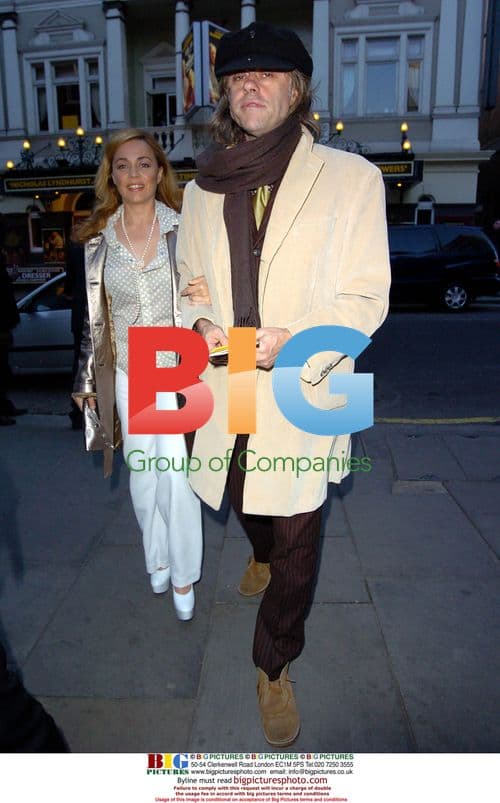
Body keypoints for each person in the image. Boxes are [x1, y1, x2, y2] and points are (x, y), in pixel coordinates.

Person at [177, 22, 391, 744]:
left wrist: (293, 341)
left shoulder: (352, 178)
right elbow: (189, 285)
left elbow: (367, 297)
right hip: (225, 378)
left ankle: (274, 662)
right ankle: (258, 550)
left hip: (307, 385)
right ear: (224, 95)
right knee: (241, 495)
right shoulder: (202, 187)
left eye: (268, 74)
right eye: (238, 77)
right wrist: (200, 320)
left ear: (298, 90)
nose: (251, 85)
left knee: (301, 536)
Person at [73, 128, 207, 621]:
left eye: (144, 163)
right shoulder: (97, 240)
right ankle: (157, 554)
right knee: (144, 475)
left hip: (176, 368)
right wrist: (86, 383)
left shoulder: (185, 227)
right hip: (128, 371)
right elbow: (89, 319)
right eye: (124, 164)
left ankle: (184, 572)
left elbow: (210, 291)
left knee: (177, 474)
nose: (134, 174)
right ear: (112, 174)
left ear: (159, 172)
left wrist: (202, 289)